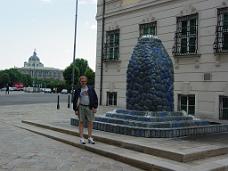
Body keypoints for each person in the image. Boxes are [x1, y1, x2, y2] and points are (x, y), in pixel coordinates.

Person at [73, 75, 98, 144]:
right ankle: (81, 138)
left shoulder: (90, 88)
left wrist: (95, 107)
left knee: (90, 122)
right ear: (80, 82)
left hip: (89, 107)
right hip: (81, 107)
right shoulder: (78, 89)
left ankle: (90, 137)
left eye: (84, 81)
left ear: (86, 81)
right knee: (81, 122)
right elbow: (75, 100)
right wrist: (76, 109)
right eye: (82, 81)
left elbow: (95, 98)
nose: (83, 82)